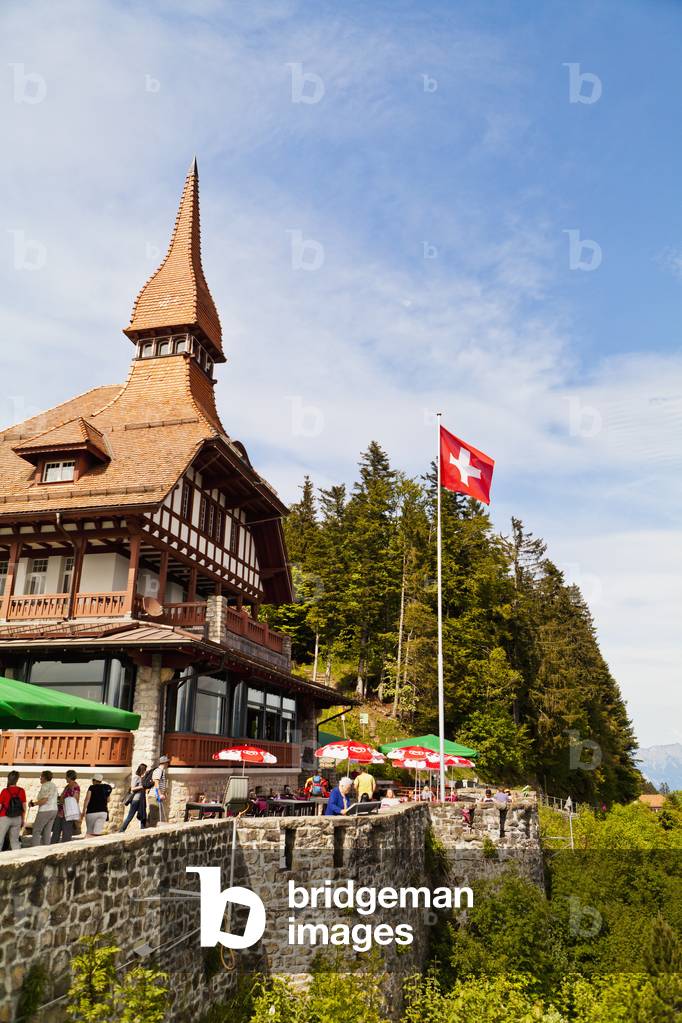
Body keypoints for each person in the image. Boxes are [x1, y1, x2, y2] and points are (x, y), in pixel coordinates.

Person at [30, 770, 59, 846]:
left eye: (41, 776)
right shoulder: (53, 785)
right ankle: (46, 849)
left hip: (45, 810)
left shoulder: (45, 785)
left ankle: (34, 849)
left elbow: (44, 800)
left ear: (44, 777)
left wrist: (33, 804)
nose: (40, 778)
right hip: (54, 809)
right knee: (47, 831)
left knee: (37, 830)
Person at [51, 770, 81, 843]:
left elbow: (75, 800)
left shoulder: (76, 787)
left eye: (66, 777)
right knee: (56, 831)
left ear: (70, 777)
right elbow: (62, 797)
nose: (65, 778)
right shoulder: (67, 786)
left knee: (66, 833)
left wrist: (63, 800)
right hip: (60, 812)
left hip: (68, 813)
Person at [0, 770, 26, 851]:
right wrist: (23, 819)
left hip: (4, 817)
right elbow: (24, 807)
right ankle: (17, 859)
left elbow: (0, 806)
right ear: (17, 780)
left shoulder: (4, 791)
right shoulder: (21, 791)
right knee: (15, 841)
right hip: (17, 817)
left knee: (0, 839)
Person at [119, 763, 148, 832]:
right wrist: (142, 787)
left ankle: (143, 829)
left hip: (140, 799)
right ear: (142, 770)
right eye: (145, 770)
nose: (145, 771)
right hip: (136, 799)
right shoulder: (136, 777)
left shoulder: (140, 778)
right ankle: (122, 830)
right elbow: (132, 788)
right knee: (130, 816)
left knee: (142, 813)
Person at [148, 755, 170, 826]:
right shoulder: (158, 771)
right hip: (155, 796)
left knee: (153, 815)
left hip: (156, 796)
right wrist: (160, 794)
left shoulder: (161, 771)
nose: (168, 764)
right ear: (164, 763)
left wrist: (164, 793)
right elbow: (156, 783)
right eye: (167, 762)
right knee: (154, 817)